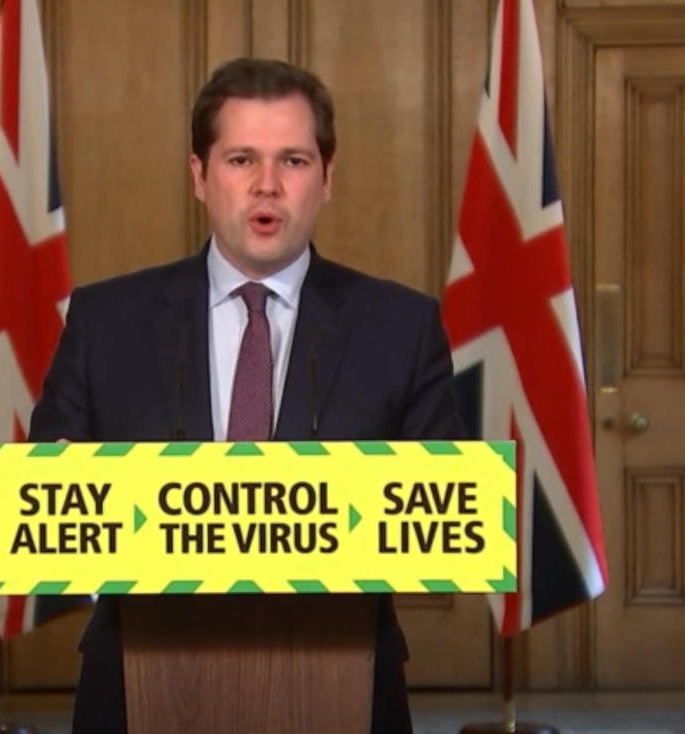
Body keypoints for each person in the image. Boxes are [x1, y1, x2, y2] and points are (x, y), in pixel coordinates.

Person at [29, 57, 464, 734]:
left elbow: (445, 520)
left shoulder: (400, 326)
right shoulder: (106, 320)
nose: (266, 186)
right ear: (199, 176)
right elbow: (48, 508)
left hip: (342, 681)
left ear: (327, 178)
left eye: (292, 160)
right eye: (240, 160)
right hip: (139, 681)